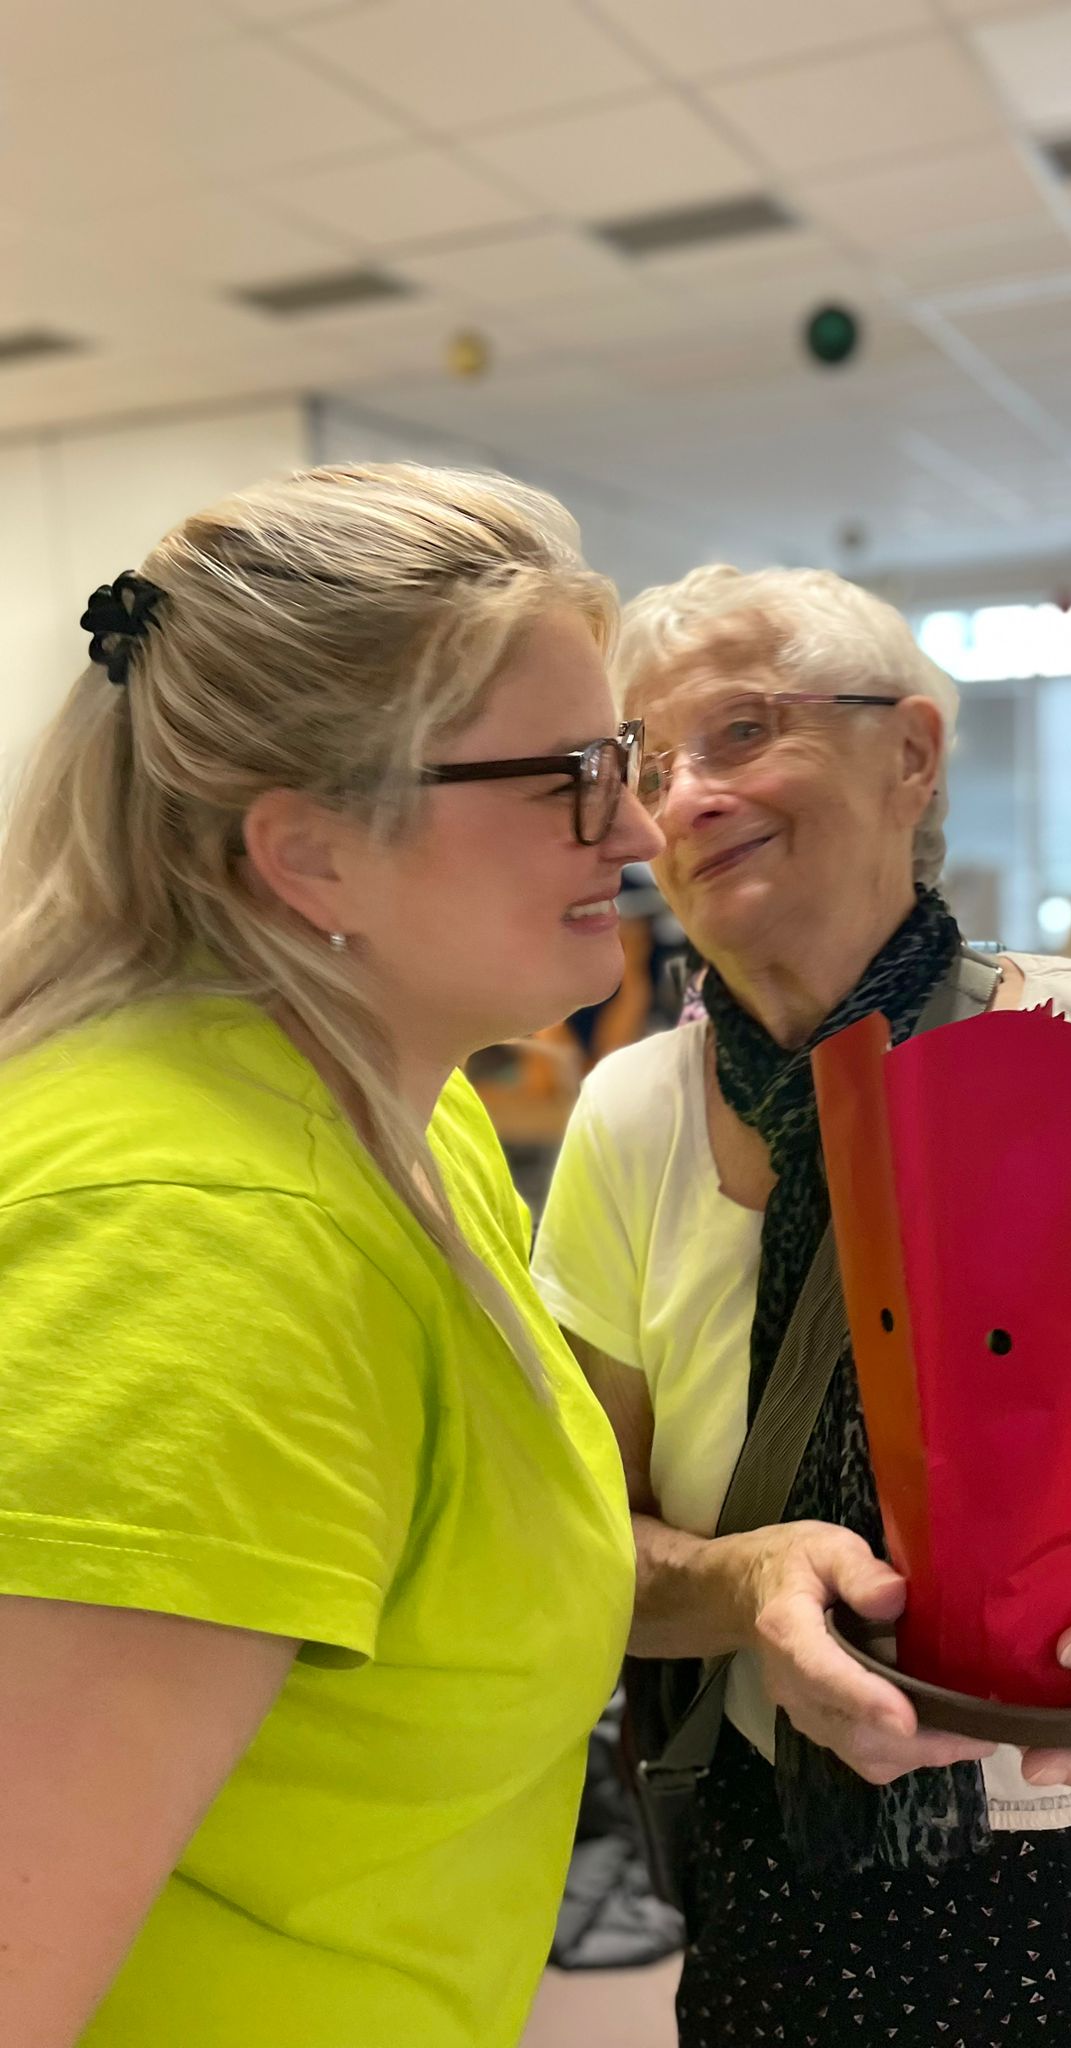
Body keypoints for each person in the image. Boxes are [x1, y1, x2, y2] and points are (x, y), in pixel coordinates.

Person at [531, 564, 1071, 2046]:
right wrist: (746, 1582)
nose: (686, 798)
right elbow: (586, 1546)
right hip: (806, 1870)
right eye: (647, 765)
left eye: (743, 730)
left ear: (912, 754)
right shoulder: (631, 1117)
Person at [0, 463, 663, 2047]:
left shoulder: (393, 1116)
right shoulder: (204, 1250)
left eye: (624, 758)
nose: (640, 827)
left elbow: (416, 1574)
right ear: (311, 857)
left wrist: (758, 1586)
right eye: (570, 778)